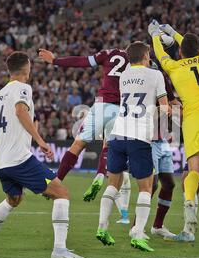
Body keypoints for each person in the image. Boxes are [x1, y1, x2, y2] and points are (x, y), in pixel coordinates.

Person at [0, 51, 84, 258]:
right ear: (26, 67)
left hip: (1, 162)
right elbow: (21, 112)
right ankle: (59, 250)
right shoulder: (23, 88)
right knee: (61, 193)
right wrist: (40, 141)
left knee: (14, 199)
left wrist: (7, 151)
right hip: (18, 159)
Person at [150, 20, 199, 242]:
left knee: (194, 168)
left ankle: (189, 210)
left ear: (181, 52)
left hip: (192, 118)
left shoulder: (174, 68)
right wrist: (174, 33)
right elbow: (192, 47)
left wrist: (155, 35)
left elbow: (160, 54)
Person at [96, 41, 170, 252]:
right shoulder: (155, 75)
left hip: (118, 135)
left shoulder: (125, 75)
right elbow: (164, 108)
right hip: (139, 137)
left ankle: (102, 227)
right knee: (146, 188)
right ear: (146, 56)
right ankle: (138, 233)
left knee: (113, 184)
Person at [38, 47, 131, 204]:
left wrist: (55, 60)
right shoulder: (137, 62)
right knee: (107, 145)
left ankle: (57, 181)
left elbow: (82, 61)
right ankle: (100, 174)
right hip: (122, 108)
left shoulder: (109, 53)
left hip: (102, 105)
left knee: (78, 144)